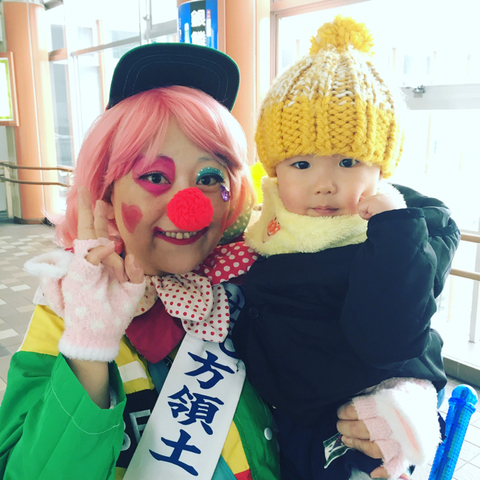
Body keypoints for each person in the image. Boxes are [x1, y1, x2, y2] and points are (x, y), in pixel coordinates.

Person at [231, 16, 461, 480]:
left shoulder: (398, 236)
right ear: (274, 170)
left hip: (351, 438)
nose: (324, 184)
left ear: (381, 168)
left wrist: (394, 233)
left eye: (348, 161)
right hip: (281, 430)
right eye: (301, 163)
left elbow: (390, 339)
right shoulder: (265, 228)